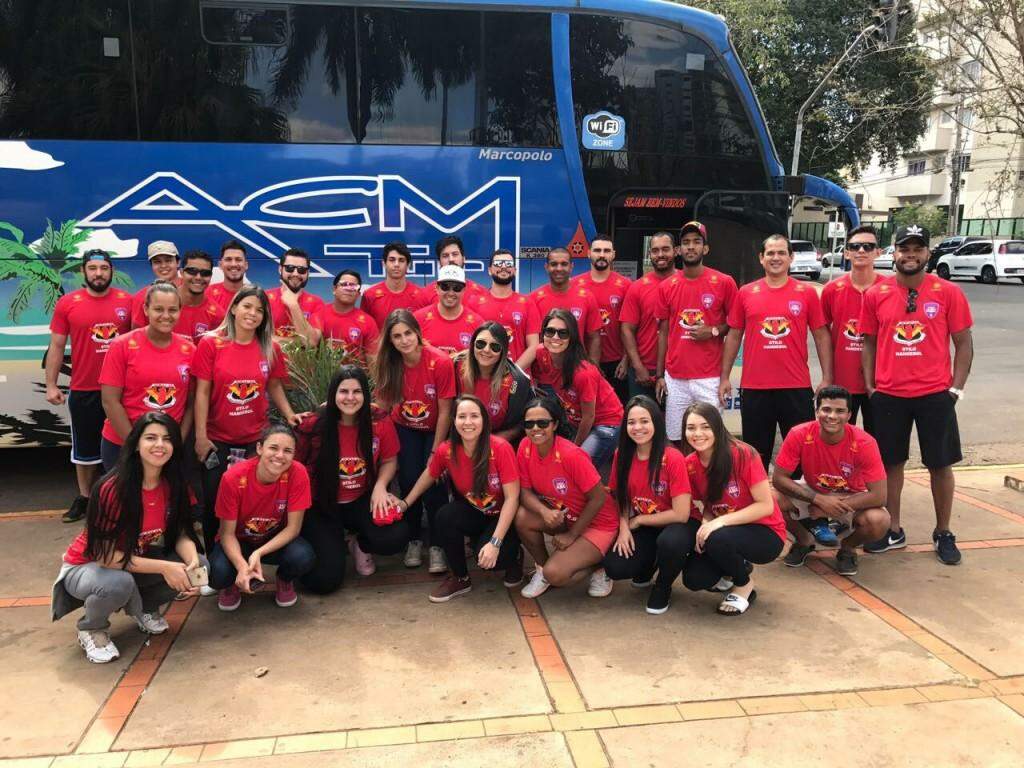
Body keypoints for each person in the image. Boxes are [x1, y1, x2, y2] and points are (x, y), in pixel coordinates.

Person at [51, 413, 207, 664]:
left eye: (167, 439)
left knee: (200, 564)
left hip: (132, 558)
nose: (160, 445)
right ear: (135, 444)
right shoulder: (113, 488)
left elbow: (179, 532)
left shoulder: (174, 482)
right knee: (118, 582)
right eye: (151, 438)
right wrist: (166, 567)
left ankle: (144, 609)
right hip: (88, 567)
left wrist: (190, 563)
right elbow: (106, 557)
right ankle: (92, 628)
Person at [860, 224, 974, 565]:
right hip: (889, 394)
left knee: (940, 464)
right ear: (893, 253)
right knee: (891, 464)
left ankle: (943, 531)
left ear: (927, 254)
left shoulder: (948, 292)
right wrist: (870, 385)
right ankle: (893, 529)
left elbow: (964, 343)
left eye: (917, 249)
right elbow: (868, 341)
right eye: (904, 248)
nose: (910, 255)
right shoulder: (876, 294)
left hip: (935, 394)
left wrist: (955, 388)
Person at [192, 287, 300, 549]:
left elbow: (274, 385)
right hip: (217, 440)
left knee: (250, 503)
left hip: (256, 440)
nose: (252, 313)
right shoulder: (210, 343)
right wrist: (201, 437)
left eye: (260, 310)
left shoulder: (269, 347)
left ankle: (248, 557)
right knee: (214, 504)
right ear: (233, 308)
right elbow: (202, 392)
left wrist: (290, 415)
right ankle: (215, 561)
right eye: (247, 306)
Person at [719, 234, 833, 470]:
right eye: (770, 253)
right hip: (755, 388)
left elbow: (821, 335)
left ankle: (799, 505)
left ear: (791, 258)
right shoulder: (746, 292)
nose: (776, 257)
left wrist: (827, 378)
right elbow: (733, 336)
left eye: (782, 253)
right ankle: (761, 506)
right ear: (761, 258)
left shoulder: (807, 293)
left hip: (796, 387)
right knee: (755, 457)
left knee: (801, 456)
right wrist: (724, 377)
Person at [398, 395, 523, 602]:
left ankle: (514, 557)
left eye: (474, 416)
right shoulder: (446, 450)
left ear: (484, 420)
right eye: (461, 416)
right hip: (476, 513)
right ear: (454, 421)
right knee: (445, 515)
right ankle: (460, 577)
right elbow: (428, 475)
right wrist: (405, 503)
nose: (468, 422)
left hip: (503, 517)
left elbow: (512, 498)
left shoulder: (500, 448)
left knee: (494, 558)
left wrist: (495, 542)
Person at [297, 366, 405, 592]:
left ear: (365, 395)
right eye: (343, 391)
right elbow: (295, 467)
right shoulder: (314, 425)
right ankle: (329, 542)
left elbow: (389, 460)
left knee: (395, 537)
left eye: (356, 392)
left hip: (362, 498)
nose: (350, 398)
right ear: (333, 394)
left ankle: (360, 543)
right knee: (324, 582)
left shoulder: (378, 420)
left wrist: (380, 487)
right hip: (323, 504)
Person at [46, 249, 133, 522]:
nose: (98, 273)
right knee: (84, 452)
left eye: (104, 268)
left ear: (111, 271)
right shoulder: (67, 303)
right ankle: (84, 498)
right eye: (93, 268)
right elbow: (57, 345)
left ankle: (120, 498)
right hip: (84, 388)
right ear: (84, 271)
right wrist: (51, 384)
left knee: (124, 447)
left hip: (121, 392)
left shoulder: (127, 302)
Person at [680, 402, 786, 615]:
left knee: (718, 538)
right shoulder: (690, 464)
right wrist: (706, 523)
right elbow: (709, 505)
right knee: (694, 579)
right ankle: (736, 567)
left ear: (718, 427)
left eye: (705, 426)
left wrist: (718, 523)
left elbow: (765, 506)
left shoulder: (743, 454)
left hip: (765, 532)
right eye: (691, 428)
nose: (698, 433)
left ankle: (743, 584)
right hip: (727, 531)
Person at [773, 386, 890, 576]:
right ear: (817, 411)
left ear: (849, 414)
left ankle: (847, 547)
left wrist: (829, 506)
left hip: (851, 495)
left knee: (879, 521)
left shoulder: (865, 442)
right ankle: (804, 540)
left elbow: (880, 496)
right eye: (826, 409)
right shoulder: (799, 434)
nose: (832, 416)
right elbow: (778, 479)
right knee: (769, 499)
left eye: (840, 411)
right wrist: (818, 500)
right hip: (812, 491)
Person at [372, 309, 456, 572]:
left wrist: (435, 453)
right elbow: (382, 405)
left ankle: (438, 545)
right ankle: (414, 540)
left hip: (434, 429)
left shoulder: (440, 361)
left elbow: (445, 411)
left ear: (418, 333)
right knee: (408, 479)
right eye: (397, 336)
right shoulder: (389, 362)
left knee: (434, 485)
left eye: (408, 333)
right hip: (405, 427)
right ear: (390, 340)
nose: (404, 340)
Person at [515, 396, 621, 599]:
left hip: (599, 523)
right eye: (529, 424)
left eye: (543, 423)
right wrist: (544, 511)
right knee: (522, 517)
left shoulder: (571, 454)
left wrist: (572, 536)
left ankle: (600, 566)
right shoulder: (524, 447)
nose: (535, 428)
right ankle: (542, 570)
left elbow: (598, 498)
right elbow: (525, 492)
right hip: (567, 516)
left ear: (554, 424)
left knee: (557, 574)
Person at [602, 396, 694, 614]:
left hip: (676, 524)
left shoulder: (672, 457)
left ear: (656, 423)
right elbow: (620, 496)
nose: (638, 428)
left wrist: (639, 519)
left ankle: (663, 586)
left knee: (671, 542)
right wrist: (624, 528)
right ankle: (648, 565)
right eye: (631, 422)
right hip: (644, 525)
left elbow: (681, 514)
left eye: (644, 421)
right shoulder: (622, 455)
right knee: (616, 566)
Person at [209, 423, 315, 610]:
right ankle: (231, 584)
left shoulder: (298, 473)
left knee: (303, 556)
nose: (280, 456)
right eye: (273, 448)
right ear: (259, 448)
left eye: (288, 451)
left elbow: (293, 529)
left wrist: (259, 553)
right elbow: (226, 534)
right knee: (218, 574)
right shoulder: (233, 478)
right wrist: (242, 565)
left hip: (273, 540)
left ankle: (284, 580)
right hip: (238, 541)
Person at [654, 222, 738, 445]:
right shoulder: (667, 286)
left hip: (709, 376)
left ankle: (710, 480)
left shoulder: (724, 282)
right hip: (676, 377)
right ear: (679, 250)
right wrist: (660, 374)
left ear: (705, 249)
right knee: (675, 437)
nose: (691, 247)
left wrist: (712, 331)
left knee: (710, 437)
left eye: (696, 242)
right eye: (686, 243)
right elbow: (663, 332)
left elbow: (734, 325)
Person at [98, 282, 196, 472]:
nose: (166, 316)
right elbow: (110, 401)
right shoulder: (122, 346)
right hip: (122, 444)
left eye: (172, 310)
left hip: (165, 449)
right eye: (158, 309)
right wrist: (135, 445)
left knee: (164, 500)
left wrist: (176, 442)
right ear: (146, 309)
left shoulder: (190, 350)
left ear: (180, 311)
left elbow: (191, 404)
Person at [532, 309, 623, 470]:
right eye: (550, 331)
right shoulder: (541, 353)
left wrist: (575, 447)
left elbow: (589, 416)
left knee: (576, 466)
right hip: (575, 419)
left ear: (572, 337)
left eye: (563, 333)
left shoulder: (583, 373)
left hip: (606, 422)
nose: (555, 338)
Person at [820, 226, 885, 433]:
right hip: (842, 382)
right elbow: (822, 336)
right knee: (840, 441)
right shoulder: (832, 289)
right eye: (855, 246)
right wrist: (827, 376)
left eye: (868, 246)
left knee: (879, 441)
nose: (861, 251)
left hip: (880, 383)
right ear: (847, 252)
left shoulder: (889, 289)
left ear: (878, 252)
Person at [571, 235, 632, 403]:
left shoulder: (626, 285)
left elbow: (631, 327)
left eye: (606, 251)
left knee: (617, 411)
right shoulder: (575, 285)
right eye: (597, 250)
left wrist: (627, 359)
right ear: (589, 253)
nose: (602, 255)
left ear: (613, 254)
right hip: (581, 361)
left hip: (616, 363)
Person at [454, 322, 533, 445]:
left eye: (495, 347)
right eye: (480, 344)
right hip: (459, 437)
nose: (486, 350)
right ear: (472, 345)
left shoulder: (517, 381)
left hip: (496, 442)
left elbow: (522, 422)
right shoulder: (455, 365)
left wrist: (493, 442)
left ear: (504, 351)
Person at [620, 232, 676, 401]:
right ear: (650, 254)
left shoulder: (684, 283)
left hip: (677, 372)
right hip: (643, 371)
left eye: (665, 249)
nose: (660, 255)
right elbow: (626, 330)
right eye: (655, 250)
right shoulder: (637, 287)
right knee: (642, 423)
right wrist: (637, 366)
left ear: (676, 251)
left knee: (675, 426)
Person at [530, 248, 602, 364]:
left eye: (564, 264)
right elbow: (530, 342)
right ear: (546, 267)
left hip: (576, 370)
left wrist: (593, 368)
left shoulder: (587, 297)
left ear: (571, 267)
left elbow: (594, 338)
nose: (559, 268)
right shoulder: (534, 299)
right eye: (554, 264)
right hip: (543, 373)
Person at [473, 249, 541, 370]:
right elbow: (470, 344)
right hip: (484, 377)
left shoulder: (527, 303)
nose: (503, 267)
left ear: (514, 270)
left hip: (518, 379)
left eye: (508, 264)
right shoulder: (474, 303)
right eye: (498, 264)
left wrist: (514, 372)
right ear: (489, 270)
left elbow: (534, 345)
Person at [310, 269, 380, 365]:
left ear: (358, 294)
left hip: (356, 378)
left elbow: (373, 360)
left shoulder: (368, 322)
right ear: (334, 290)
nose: (348, 289)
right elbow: (311, 342)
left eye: (353, 286)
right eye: (344, 284)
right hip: (323, 378)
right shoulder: (319, 314)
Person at [413, 265, 483, 356]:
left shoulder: (477, 323)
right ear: (437, 288)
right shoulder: (418, 319)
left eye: (457, 288)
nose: (450, 293)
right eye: (445, 287)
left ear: (464, 290)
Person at [360, 241, 426, 328]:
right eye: (392, 260)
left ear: (408, 265)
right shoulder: (370, 295)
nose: (396, 264)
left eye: (401, 260)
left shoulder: (421, 295)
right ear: (384, 263)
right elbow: (364, 329)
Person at [265, 248, 324, 344]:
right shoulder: (264, 297)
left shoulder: (317, 303)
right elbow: (255, 338)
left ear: (308, 273)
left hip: (302, 360)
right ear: (280, 269)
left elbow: (311, 342)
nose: (295, 274)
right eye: (290, 268)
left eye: (302, 270)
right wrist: (299, 342)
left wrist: (293, 305)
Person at [417, 235, 489, 309]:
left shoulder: (481, 293)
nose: (451, 259)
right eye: (445, 256)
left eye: (455, 254)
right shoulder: (425, 294)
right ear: (439, 262)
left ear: (464, 259)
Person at [172, 250, 225, 342]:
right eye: (192, 271)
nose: (198, 277)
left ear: (210, 276)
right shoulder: (163, 304)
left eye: (205, 273)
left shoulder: (218, 315)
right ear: (181, 272)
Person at [129, 240, 180, 327]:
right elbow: (138, 334)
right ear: (152, 266)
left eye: (168, 260)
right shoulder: (141, 297)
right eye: (157, 262)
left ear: (178, 262)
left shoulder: (189, 290)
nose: (163, 266)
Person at [207, 240, 250, 311]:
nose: (233, 264)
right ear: (220, 265)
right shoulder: (208, 294)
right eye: (228, 259)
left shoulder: (255, 295)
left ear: (246, 265)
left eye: (238, 260)